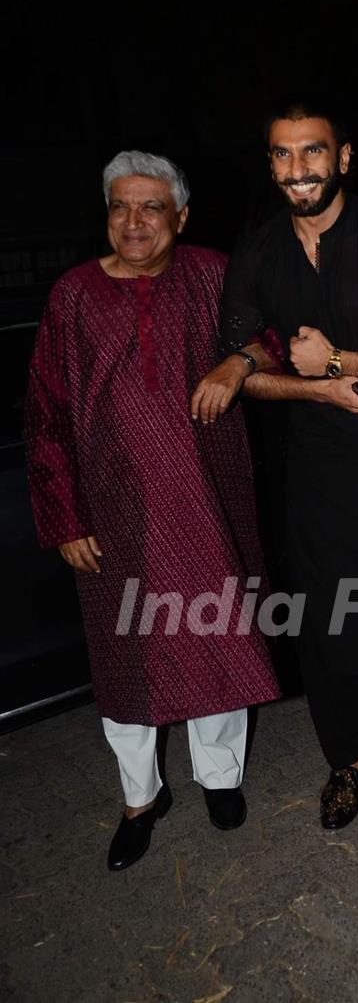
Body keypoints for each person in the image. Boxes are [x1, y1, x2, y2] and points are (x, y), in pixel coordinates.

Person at [192, 100, 358, 830]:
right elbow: (247, 361)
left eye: (311, 152)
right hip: (313, 471)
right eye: (282, 155)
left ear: (343, 157)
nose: (296, 170)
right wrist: (313, 384)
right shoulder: (257, 252)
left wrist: (343, 360)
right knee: (329, 625)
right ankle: (346, 760)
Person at [25, 151, 280, 871]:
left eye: (151, 208)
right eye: (120, 207)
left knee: (215, 638)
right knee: (124, 655)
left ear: (181, 216)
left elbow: (277, 333)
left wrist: (240, 363)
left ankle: (220, 777)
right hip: (114, 517)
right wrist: (65, 516)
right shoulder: (73, 295)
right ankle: (141, 796)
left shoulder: (212, 273)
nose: (133, 222)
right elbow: (45, 416)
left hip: (208, 496)